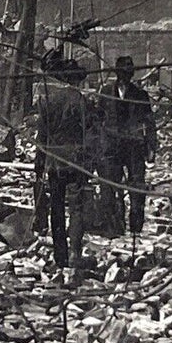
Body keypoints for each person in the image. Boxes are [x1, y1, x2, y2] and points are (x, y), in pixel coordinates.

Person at [37, 53, 92, 275]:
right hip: (76, 162)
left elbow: (42, 136)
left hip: (54, 162)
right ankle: (75, 253)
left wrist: (39, 164)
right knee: (76, 207)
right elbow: (89, 133)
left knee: (56, 208)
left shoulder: (47, 100)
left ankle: (60, 257)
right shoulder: (80, 100)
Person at [100, 54, 158, 237]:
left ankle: (135, 229)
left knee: (137, 188)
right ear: (117, 74)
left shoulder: (140, 95)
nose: (125, 76)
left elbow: (149, 123)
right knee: (108, 188)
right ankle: (114, 228)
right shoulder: (105, 92)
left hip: (134, 147)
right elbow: (97, 119)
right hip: (111, 147)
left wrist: (151, 147)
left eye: (128, 73)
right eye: (122, 73)